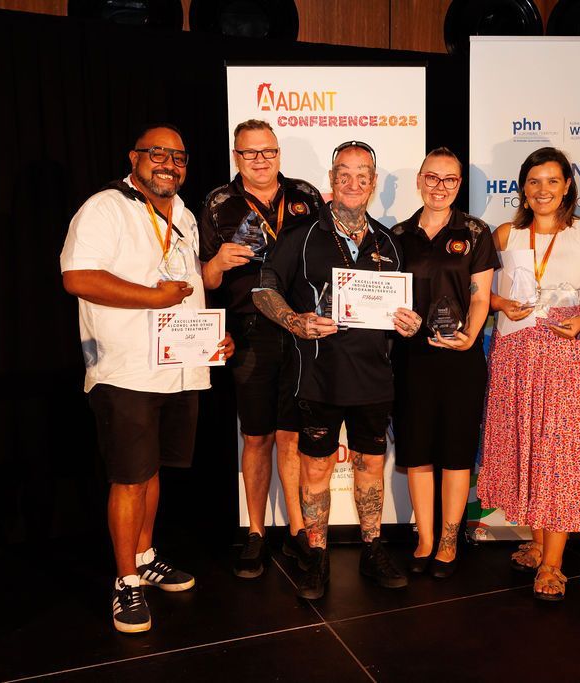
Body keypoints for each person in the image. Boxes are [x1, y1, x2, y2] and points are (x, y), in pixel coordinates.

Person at [60, 124, 234, 634]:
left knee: (152, 469)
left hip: (178, 368)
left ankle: (145, 554)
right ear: (134, 157)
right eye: (157, 154)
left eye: (178, 157)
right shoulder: (105, 207)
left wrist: (212, 340)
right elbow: (77, 277)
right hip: (126, 368)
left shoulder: (183, 214)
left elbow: (189, 286)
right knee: (129, 477)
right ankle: (126, 582)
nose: (169, 164)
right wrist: (150, 298)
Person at [253, 140, 422, 600]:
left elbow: (403, 308)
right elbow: (263, 289)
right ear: (331, 181)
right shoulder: (301, 235)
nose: (352, 183)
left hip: (373, 379)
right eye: (343, 174)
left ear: (372, 183)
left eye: (362, 175)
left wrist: (410, 322)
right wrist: (294, 320)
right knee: (316, 471)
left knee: (370, 466)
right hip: (319, 378)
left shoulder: (389, 241)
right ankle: (316, 554)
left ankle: (372, 548)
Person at [477, 147, 580, 602]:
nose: (543, 190)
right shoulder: (504, 235)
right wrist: (499, 303)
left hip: (566, 354)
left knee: (559, 453)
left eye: (552, 181)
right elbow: (476, 288)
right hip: (515, 355)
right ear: (522, 188)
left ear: (567, 187)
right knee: (528, 446)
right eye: (534, 182)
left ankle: (553, 565)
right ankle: (538, 541)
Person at [199, 120, 323, 578]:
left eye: (268, 151)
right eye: (250, 153)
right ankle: (254, 532)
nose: (260, 160)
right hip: (250, 330)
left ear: (278, 153)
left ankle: (294, 530)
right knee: (256, 436)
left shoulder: (306, 195)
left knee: (291, 434)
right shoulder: (218, 203)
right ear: (236, 156)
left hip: (296, 327)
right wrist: (217, 262)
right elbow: (205, 280)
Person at [390, 148, 498, 578]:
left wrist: (470, 335)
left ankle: (450, 541)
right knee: (417, 450)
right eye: (432, 178)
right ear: (419, 180)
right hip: (411, 357)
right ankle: (425, 539)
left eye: (449, 180)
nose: (440, 187)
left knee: (455, 451)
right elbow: (386, 296)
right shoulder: (396, 234)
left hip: (460, 359)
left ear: (459, 185)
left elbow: (480, 294)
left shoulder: (475, 231)